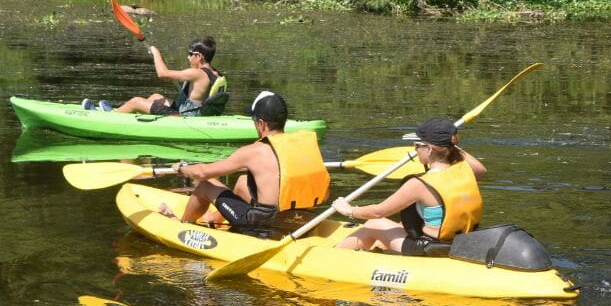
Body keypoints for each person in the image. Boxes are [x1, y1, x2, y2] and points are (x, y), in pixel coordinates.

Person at [161, 91, 331, 229]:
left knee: (206, 185)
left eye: (254, 121)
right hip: (304, 220)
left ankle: (182, 226)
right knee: (243, 182)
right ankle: (214, 220)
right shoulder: (301, 146)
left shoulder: (254, 151)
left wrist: (183, 168)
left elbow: (203, 173)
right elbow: (326, 192)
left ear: (262, 124)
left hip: (266, 224)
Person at [332, 117, 487, 255]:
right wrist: (448, 143)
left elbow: (378, 212)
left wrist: (349, 210)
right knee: (400, 224)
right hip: (458, 242)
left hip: (429, 247)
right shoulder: (467, 171)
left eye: (417, 145)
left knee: (374, 224)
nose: (414, 148)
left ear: (429, 149)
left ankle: (332, 259)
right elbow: (481, 170)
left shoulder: (419, 184)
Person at [111, 37, 225, 116]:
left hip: (185, 116)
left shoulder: (197, 73)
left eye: (190, 54)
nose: (188, 58)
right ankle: (130, 114)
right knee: (156, 97)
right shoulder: (216, 73)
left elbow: (162, 74)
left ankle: (112, 116)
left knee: (136, 101)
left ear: (199, 56)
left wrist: (156, 52)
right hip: (192, 111)